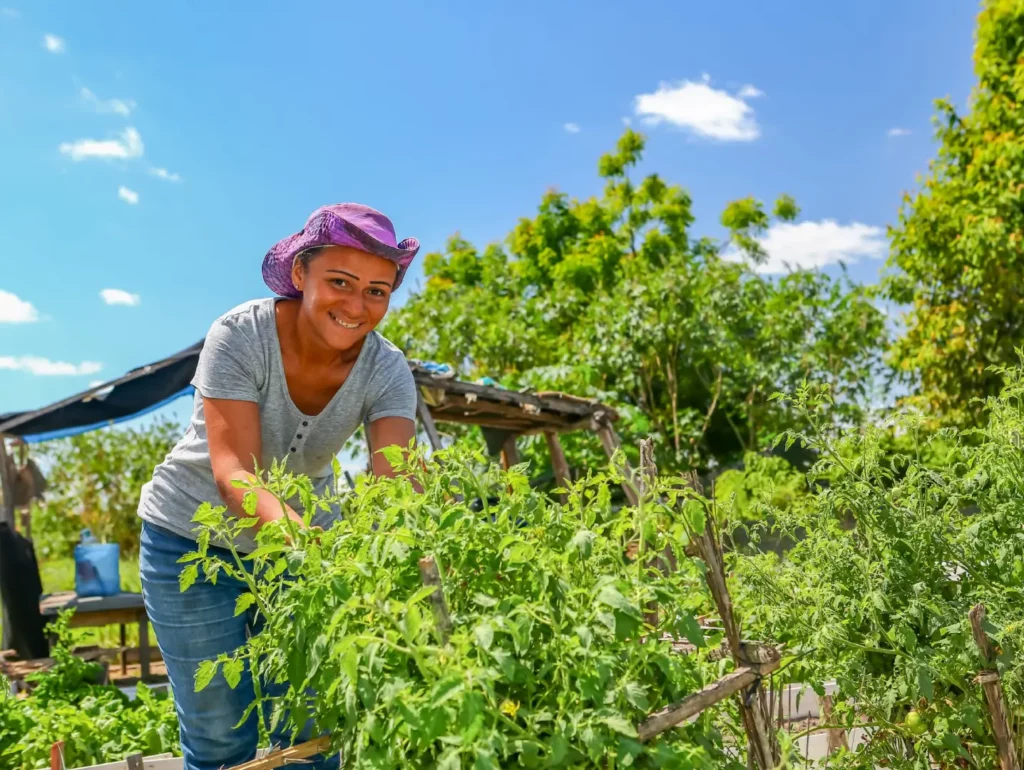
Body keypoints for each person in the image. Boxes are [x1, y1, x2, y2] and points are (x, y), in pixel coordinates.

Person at [136, 203, 421, 770]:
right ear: (300, 275)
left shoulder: (388, 371)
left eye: (376, 291)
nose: (356, 305)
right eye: (339, 282)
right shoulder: (242, 335)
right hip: (191, 540)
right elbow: (234, 475)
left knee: (315, 731)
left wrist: (396, 554)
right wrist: (319, 549)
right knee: (220, 737)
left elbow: (398, 487)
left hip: (302, 553)